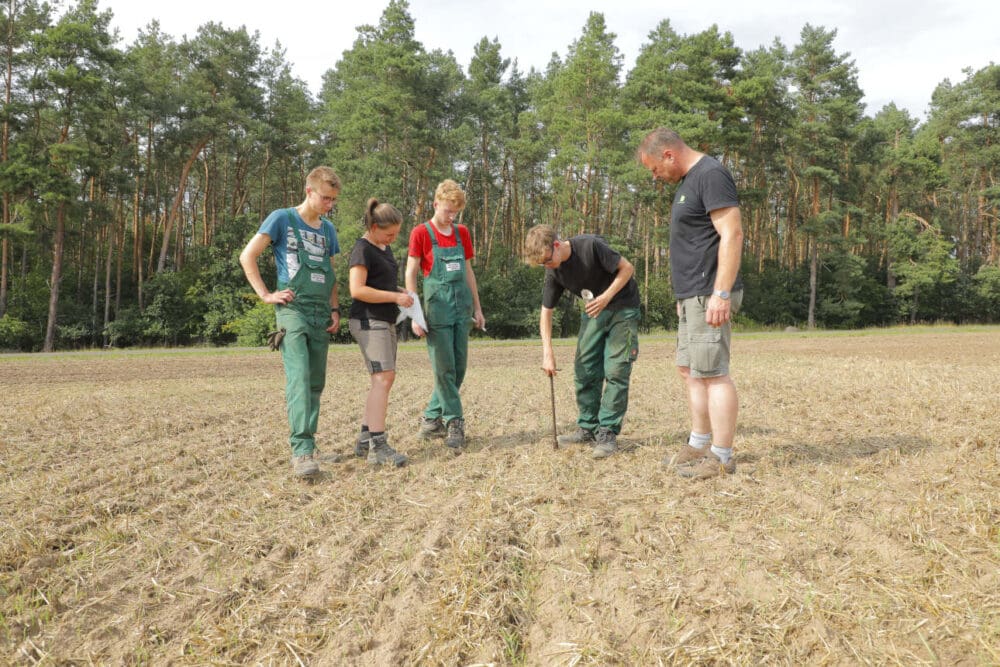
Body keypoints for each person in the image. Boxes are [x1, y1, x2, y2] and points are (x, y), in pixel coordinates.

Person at [638, 128, 745, 480]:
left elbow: (732, 233)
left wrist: (721, 293)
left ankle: (722, 456)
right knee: (690, 370)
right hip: (692, 296)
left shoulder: (711, 174)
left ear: (669, 154)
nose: (655, 177)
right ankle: (699, 443)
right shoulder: (689, 181)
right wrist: (684, 297)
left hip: (709, 292)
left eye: (655, 168)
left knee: (714, 373)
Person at [239, 166, 342, 480]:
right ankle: (301, 452)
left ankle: (309, 442)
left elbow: (331, 273)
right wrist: (266, 295)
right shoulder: (282, 218)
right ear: (309, 191)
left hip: (320, 312)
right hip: (293, 310)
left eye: (333, 200)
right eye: (325, 198)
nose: (329, 204)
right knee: (298, 378)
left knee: (315, 383)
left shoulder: (329, 230)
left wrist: (335, 309)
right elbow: (248, 256)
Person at [524, 225, 641, 458]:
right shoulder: (554, 272)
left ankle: (607, 432)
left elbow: (627, 268)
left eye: (548, 260)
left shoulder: (590, 246)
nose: (547, 266)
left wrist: (606, 297)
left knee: (616, 369)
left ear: (556, 245)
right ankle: (588, 427)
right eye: (542, 264)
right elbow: (546, 311)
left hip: (623, 307)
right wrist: (547, 352)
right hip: (595, 311)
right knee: (585, 368)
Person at [404, 179, 486, 450]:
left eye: (455, 212)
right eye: (447, 210)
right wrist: (415, 314)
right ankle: (454, 422)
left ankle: (430, 419)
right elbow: (411, 272)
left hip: (461, 309)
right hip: (436, 310)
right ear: (436, 203)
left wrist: (477, 307)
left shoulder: (462, 233)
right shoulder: (421, 233)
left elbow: (469, 271)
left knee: (458, 369)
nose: (451, 216)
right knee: (443, 369)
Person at [348, 198, 412, 468]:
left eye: (396, 234)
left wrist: (399, 291)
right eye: (389, 234)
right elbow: (358, 290)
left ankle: (365, 438)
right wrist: (394, 297)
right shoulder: (362, 249)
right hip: (368, 320)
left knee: (382, 379)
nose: (393, 239)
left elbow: (380, 282)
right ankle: (378, 446)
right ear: (374, 227)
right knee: (383, 378)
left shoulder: (382, 248)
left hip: (384, 320)